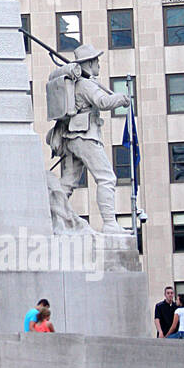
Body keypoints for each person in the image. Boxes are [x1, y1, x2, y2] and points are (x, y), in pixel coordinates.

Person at [45, 44, 131, 234]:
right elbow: (103, 102)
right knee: (107, 177)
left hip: (73, 138)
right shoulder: (85, 84)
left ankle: (49, 218)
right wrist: (122, 99)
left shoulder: (80, 83)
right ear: (90, 62)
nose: (99, 64)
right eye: (96, 60)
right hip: (84, 136)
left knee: (68, 182)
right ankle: (109, 223)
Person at [154, 286, 178, 368]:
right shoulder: (159, 306)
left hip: (173, 336)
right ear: (165, 294)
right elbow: (157, 319)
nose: (170, 295)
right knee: (162, 359)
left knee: (171, 360)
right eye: (168, 293)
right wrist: (160, 331)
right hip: (163, 336)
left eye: (172, 293)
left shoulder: (176, 307)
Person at [165, 292, 184, 368]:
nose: (176, 301)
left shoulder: (178, 310)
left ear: (181, 301)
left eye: (177, 299)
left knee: (166, 343)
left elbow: (174, 326)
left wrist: (166, 336)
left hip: (181, 335)